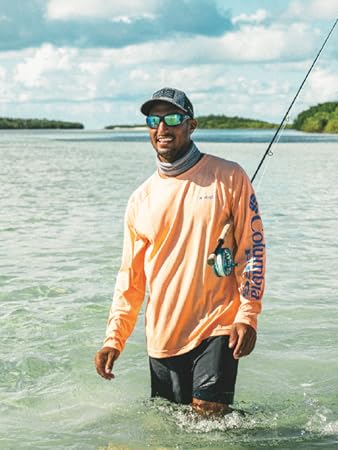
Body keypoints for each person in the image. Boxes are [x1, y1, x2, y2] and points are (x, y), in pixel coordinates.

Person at [94, 87, 266, 416]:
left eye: (172, 118)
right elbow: (131, 278)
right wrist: (114, 338)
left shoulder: (230, 177)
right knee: (174, 428)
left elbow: (252, 251)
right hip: (162, 335)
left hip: (218, 326)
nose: (162, 128)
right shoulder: (139, 199)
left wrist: (248, 315)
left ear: (191, 125)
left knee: (208, 414)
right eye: (153, 120)